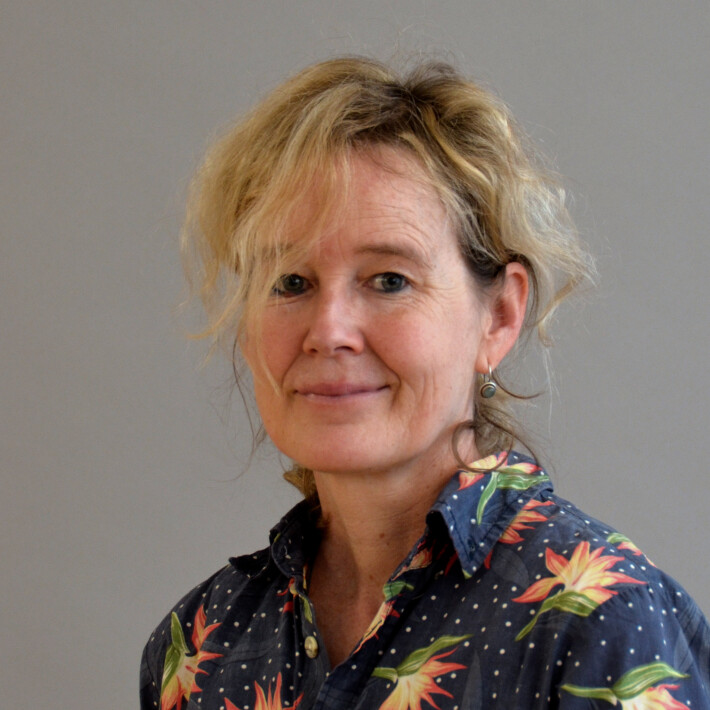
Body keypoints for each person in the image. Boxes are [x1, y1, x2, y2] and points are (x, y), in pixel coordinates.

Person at [141, 57, 710, 709]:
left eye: (389, 280)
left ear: (499, 316)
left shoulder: (599, 619)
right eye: (290, 282)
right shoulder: (199, 649)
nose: (329, 331)